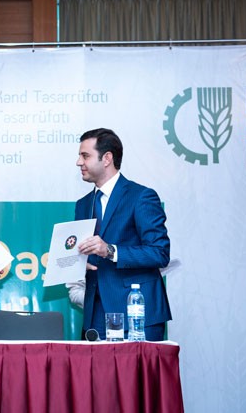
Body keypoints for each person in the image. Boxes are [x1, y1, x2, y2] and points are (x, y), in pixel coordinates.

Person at [75, 128, 171, 341]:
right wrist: (76, 262)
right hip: (95, 315)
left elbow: (159, 252)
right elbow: (84, 254)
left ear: (107, 158)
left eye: (85, 156)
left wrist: (110, 251)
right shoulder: (83, 204)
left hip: (136, 312)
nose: (78, 162)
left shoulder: (141, 197)